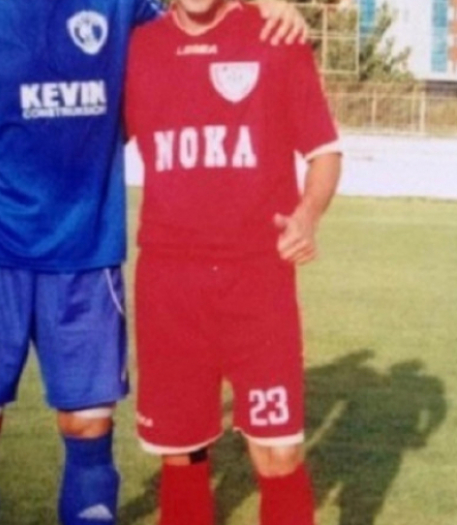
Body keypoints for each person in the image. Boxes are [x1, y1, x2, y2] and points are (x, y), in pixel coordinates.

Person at [0, 0, 309, 524]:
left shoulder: (125, 4)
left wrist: (267, 3)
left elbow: (195, 11)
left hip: (87, 258)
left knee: (87, 429)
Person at [123, 0, 342, 523]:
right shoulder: (140, 46)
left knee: (278, 450)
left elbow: (324, 152)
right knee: (181, 450)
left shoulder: (275, 37)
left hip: (257, 279)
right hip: (170, 281)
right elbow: (79, 136)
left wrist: (307, 215)